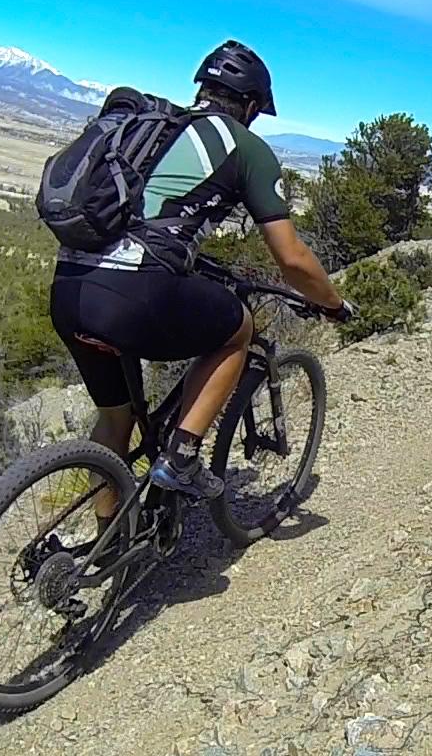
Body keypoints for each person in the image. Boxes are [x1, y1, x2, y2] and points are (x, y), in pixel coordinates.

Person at [49, 40, 352, 509]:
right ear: (251, 105)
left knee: (116, 418)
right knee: (237, 329)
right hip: (134, 291)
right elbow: (292, 259)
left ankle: (105, 549)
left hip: (69, 286)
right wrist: (333, 304)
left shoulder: (158, 128)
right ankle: (183, 457)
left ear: (205, 89)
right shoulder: (246, 147)